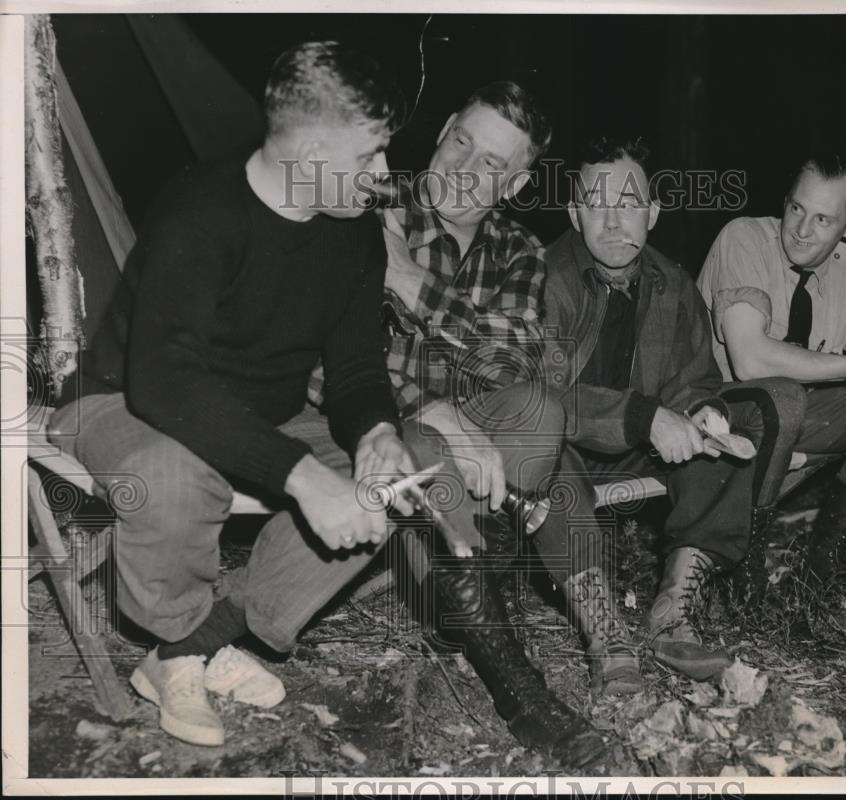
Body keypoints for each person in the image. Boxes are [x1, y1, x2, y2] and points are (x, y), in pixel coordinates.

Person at [47, 41, 420, 748]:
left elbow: (356, 373)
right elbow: (165, 382)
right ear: (308, 151)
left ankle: (205, 636)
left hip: (253, 413)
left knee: (396, 481)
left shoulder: (357, 236)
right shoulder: (200, 207)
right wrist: (304, 477)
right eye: (370, 154)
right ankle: (183, 652)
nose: (384, 176)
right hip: (117, 400)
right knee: (173, 476)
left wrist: (376, 434)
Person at [309, 82, 625, 768]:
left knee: (543, 411)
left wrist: (405, 281)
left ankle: (476, 580)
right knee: (422, 444)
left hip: (476, 440)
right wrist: (435, 408)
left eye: (491, 165)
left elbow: (506, 366)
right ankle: (518, 689)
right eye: (461, 142)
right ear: (444, 127)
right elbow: (321, 362)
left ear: (514, 184)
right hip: (369, 435)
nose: (462, 168)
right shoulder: (368, 201)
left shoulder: (518, 250)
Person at [543, 134, 782, 682]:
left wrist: (702, 411)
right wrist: (644, 416)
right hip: (564, 450)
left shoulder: (671, 282)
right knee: (543, 447)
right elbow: (538, 394)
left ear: (652, 211)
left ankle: (671, 611)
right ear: (574, 212)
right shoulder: (542, 277)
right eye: (596, 204)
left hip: (638, 450)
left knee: (734, 429)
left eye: (628, 204)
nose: (611, 221)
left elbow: (693, 378)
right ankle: (603, 630)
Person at [696, 152, 846, 591]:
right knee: (782, 396)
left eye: (823, 219)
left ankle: (824, 570)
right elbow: (750, 360)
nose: (802, 230)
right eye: (797, 209)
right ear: (785, 201)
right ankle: (742, 569)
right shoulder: (744, 238)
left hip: (794, 413)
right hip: (722, 408)